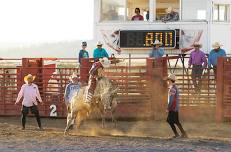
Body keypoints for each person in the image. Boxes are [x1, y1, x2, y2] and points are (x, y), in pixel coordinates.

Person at [165, 74, 187, 138]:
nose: (167, 81)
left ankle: (177, 134)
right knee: (176, 121)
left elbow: (171, 100)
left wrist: (168, 108)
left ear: (170, 80)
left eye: (168, 80)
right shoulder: (174, 88)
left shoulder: (172, 89)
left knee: (170, 121)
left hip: (173, 108)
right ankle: (183, 133)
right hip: (175, 107)